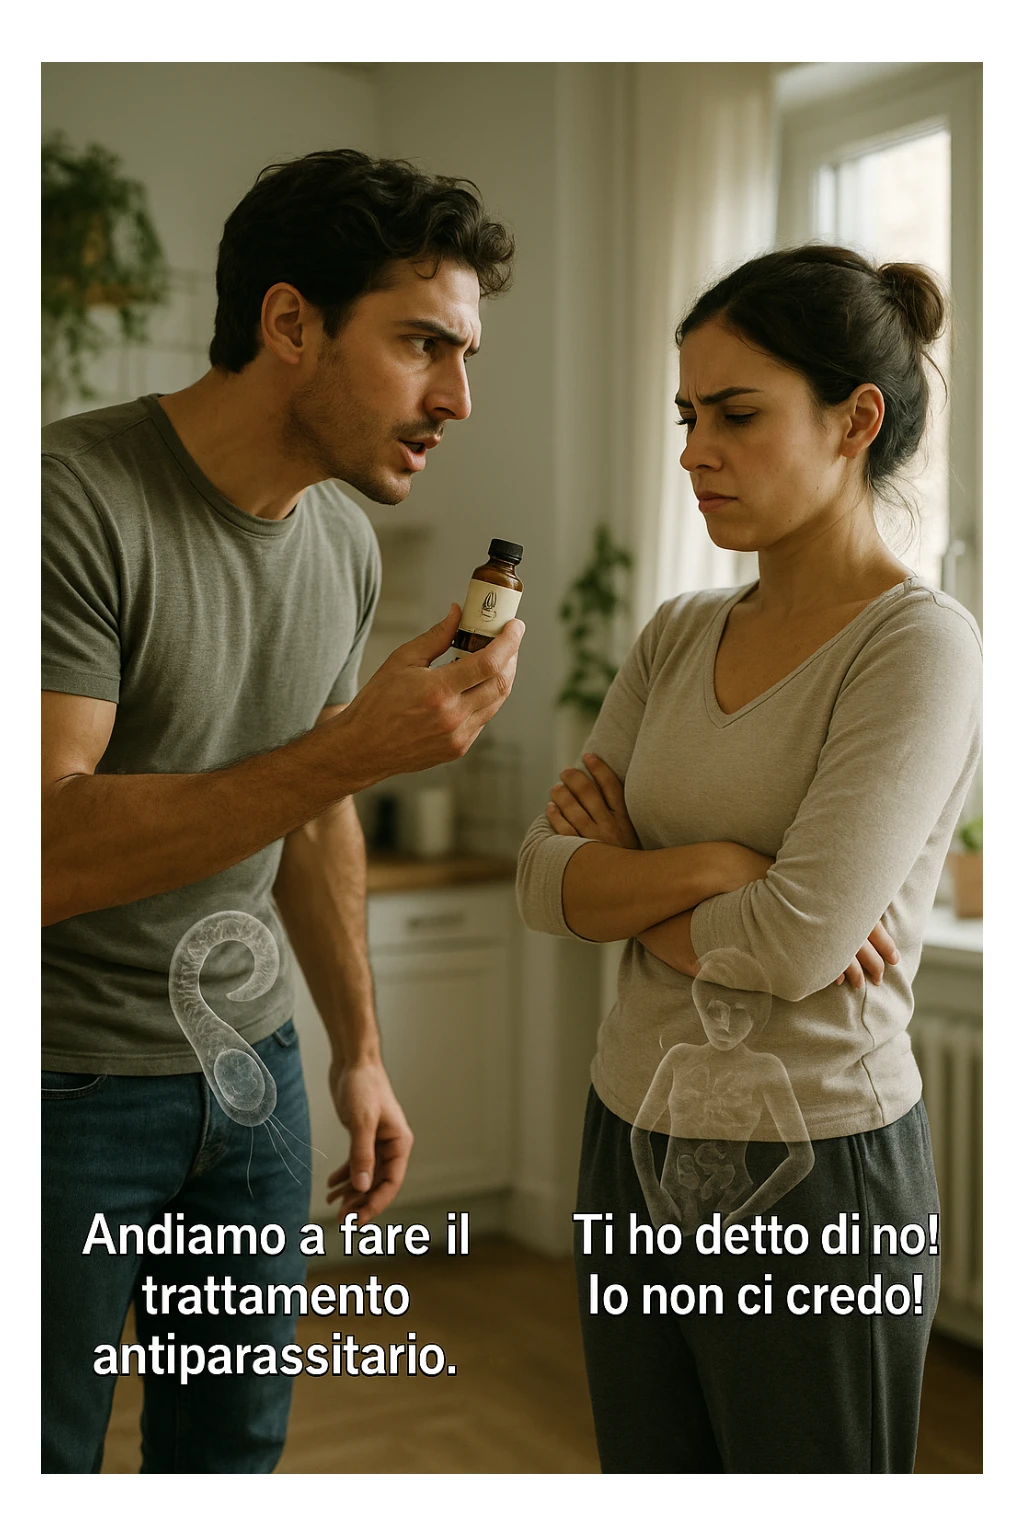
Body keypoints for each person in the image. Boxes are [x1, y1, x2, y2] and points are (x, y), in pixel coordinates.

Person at [41, 148, 522, 1474]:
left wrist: (357, 1049)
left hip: (249, 1087)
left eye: (466, 353)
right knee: (45, 1457)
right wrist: (353, 747)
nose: (460, 398)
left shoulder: (341, 543)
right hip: (61, 1087)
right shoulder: (68, 500)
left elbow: (316, 822)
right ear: (291, 323)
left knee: (230, 1464)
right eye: (426, 343)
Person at [516, 245, 981, 1473]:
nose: (691, 450)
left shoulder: (918, 648)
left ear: (854, 421)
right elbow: (537, 877)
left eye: (734, 414)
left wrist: (632, 885)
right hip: (630, 1132)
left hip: (817, 1165)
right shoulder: (677, 633)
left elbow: (793, 947)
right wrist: (722, 867)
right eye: (685, 416)